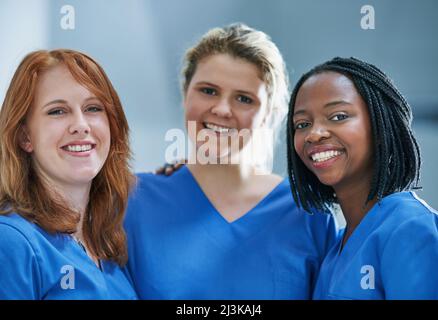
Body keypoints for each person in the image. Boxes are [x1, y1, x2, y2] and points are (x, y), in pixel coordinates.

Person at [124, 23, 339, 299]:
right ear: (185, 92)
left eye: (244, 99)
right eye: (208, 91)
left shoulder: (309, 215)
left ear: (269, 114)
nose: (222, 109)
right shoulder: (131, 201)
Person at [287, 57, 438, 299]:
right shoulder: (336, 249)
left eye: (338, 116)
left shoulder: (409, 227)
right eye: (302, 124)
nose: (314, 134)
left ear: (380, 126)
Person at [0, 49, 137, 299]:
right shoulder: (11, 241)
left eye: (93, 108)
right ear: (24, 136)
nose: (81, 126)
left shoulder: (106, 245)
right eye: (57, 111)